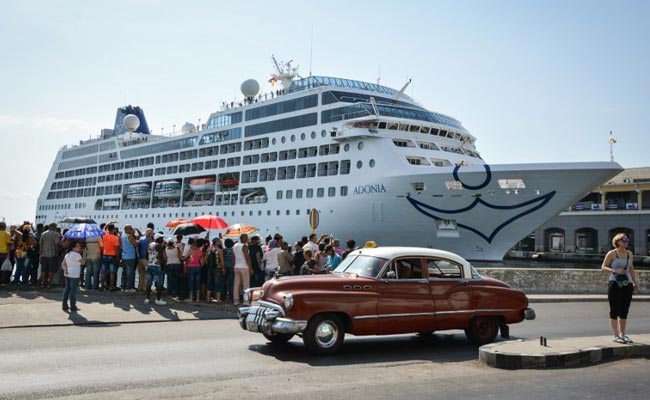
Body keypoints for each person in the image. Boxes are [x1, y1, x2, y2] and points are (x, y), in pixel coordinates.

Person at [601, 233, 639, 344]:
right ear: (617, 241)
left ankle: (623, 334)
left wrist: (635, 283)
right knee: (614, 310)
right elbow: (603, 267)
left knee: (624, 310)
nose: (626, 241)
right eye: (624, 240)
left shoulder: (629, 254)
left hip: (627, 284)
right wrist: (615, 271)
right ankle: (616, 336)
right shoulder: (612, 253)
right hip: (615, 283)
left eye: (627, 239)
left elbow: (631, 269)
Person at [61, 240, 85, 312]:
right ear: (73, 248)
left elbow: (63, 264)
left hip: (67, 273)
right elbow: (83, 262)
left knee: (67, 289)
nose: (79, 247)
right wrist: (84, 254)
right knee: (73, 291)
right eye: (77, 246)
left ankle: (64, 305)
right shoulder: (77, 255)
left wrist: (65, 270)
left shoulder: (67, 254)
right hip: (74, 274)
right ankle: (73, 306)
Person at [145, 234, 167, 305]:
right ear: (159, 239)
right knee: (159, 283)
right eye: (161, 238)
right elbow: (161, 257)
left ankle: (147, 298)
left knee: (149, 283)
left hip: (149, 265)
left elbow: (146, 255)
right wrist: (164, 266)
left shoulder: (149, 245)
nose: (163, 239)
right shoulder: (159, 246)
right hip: (157, 266)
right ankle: (158, 299)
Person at [39, 223, 62, 289]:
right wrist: (56, 253)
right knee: (51, 270)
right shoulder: (56, 234)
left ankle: (44, 283)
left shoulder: (43, 234)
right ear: (54, 227)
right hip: (52, 254)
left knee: (43, 270)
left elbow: (41, 244)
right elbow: (56, 244)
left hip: (44, 254)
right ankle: (49, 284)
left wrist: (40, 253)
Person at [232, 234, 252, 306]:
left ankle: (236, 300)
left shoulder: (234, 246)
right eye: (246, 237)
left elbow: (233, 257)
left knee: (236, 285)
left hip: (236, 266)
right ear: (242, 238)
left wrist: (234, 265)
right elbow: (247, 258)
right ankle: (246, 301)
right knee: (246, 285)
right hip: (244, 267)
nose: (247, 239)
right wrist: (250, 268)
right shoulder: (244, 246)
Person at [101, 225, 120, 291]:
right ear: (113, 230)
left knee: (103, 272)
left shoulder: (104, 237)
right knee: (112, 272)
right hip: (112, 256)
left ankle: (102, 286)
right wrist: (118, 257)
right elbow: (116, 248)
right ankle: (112, 287)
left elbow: (102, 246)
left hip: (105, 255)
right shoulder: (115, 238)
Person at [206, 238, 225, 303]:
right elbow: (222, 260)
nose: (220, 242)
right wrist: (223, 268)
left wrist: (209, 265)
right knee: (217, 283)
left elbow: (206, 259)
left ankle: (208, 298)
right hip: (217, 268)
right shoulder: (219, 250)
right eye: (219, 241)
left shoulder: (208, 249)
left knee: (209, 283)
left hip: (209, 268)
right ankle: (218, 299)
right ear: (216, 242)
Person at [120, 225, 138, 292]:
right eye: (131, 229)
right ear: (127, 229)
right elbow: (135, 244)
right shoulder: (129, 236)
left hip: (124, 256)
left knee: (124, 272)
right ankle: (129, 288)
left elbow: (121, 246)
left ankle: (123, 287)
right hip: (130, 257)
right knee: (130, 273)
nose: (132, 230)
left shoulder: (122, 236)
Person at [222, 238, 235, 303]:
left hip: (225, 266)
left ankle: (223, 297)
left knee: (224, 282)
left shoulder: (224, 250)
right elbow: (233, 259)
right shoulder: (233, 250)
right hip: (231, 267)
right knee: (231, 283)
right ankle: (231, 297)